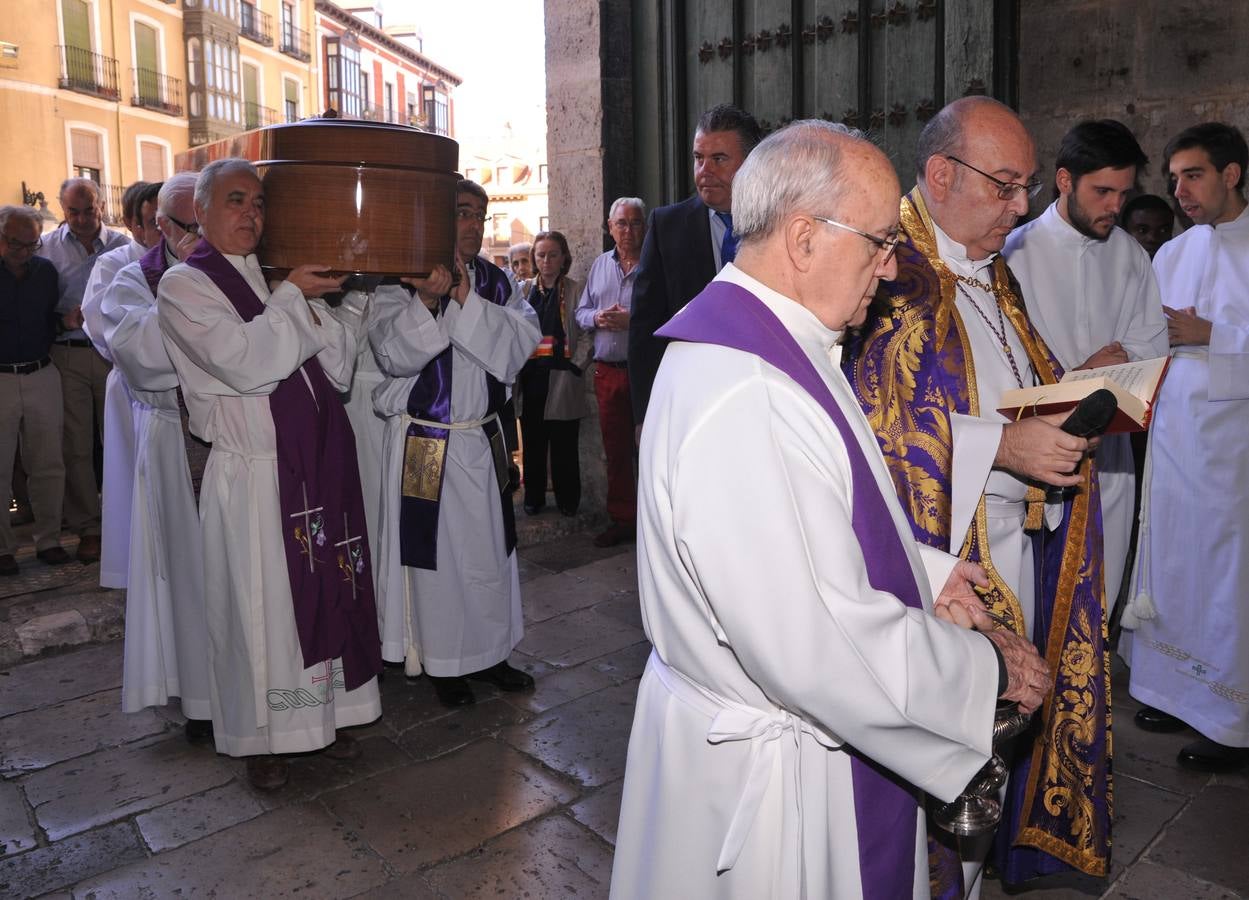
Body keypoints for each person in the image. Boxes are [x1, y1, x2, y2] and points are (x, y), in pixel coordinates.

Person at [610, 120, 1050, 900]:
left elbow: (825, 516)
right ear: (805, 237)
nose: (888, 269)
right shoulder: (748, 388)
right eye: (879, 242)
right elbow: (816, 642)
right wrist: (983, 671)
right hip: (774, 778)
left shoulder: (781, 340)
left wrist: (927, 573)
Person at [841, 96, 1111, 893]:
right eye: (1003, 185)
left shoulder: (990, 268)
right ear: (939, 173)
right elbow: (869, 435)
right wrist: (1004, 445)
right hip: (937, 565)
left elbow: (1002, 379)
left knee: (994, 737)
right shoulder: (889, 277)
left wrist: (1069, 403)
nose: (1019, 206)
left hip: (1010, 541)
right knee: (940, 751)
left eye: (1024, 186)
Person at [157, 159, 382, 790]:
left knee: (319, 600)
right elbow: (248, 363)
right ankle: (262, 738)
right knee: (260, 614)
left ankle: (325, 720)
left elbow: (336, 371)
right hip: (255, 478)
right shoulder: (186, 286)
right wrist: (291, 299)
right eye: (235, 201)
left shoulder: (272, 279)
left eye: (259, 203)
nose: (251, 213)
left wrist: (344, 298)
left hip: (313, 471)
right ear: (199, 211)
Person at [369, 181, 541, 709]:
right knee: (437, 561)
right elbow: (391, 354)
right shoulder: (400, 282)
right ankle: (444, 663)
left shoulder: (495, 281)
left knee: (490, 554)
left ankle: (492, 655)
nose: (471, 224)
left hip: (483, 438)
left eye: (478, 215)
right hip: (428, 443)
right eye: (461, 213)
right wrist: (427, 300)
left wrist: (465, 298)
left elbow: (518, 346)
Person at [1124, 123, 1249, 772]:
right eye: (1173, 178)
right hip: (1173, 439)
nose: (1178, 191)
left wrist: (1215, 335)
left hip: (1233, 453)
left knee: (1225, 580)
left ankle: (1230, 721)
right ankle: (1172, 691)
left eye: (1192, 175)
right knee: (1174, 563)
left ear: (1231, 174)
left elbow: (1202, 335)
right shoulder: (1171, 253)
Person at [1003, 120, 1167, 615]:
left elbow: (1150, 351)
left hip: (1107, 464)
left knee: (1094, 608)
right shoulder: (1013, 253)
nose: (1116, 206)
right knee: (1034, 606)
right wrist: (1083, 376)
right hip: (1031, 459)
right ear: (1065, 180)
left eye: (1124, 192)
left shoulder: (1132, 258)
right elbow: (999, 365)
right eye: (1102, 191)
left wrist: (1110, 373)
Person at [97, 173, 211, 740]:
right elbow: (143, 360)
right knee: (185, 571)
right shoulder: (129, 281)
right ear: (161, 226)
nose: (203, 238)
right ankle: (199, 695)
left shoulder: (233, 268)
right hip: (172, 438)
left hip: (231, 440)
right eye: (192, 228)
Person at [628, 104, 762, 425]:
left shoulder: (779, 222)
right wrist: (645, 417)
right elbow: (645, 330)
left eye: (718, 159)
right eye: (698, 158)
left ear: (752, 163)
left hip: (763, 400)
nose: (704, 170)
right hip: (690, 407)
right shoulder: (667, 226)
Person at [38, 177, 130, 564]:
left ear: (101, 207)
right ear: (63, 210)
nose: (80, 219)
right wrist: (64, 319)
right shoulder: (47, 247)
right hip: (70, 355)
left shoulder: (123, 246)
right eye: (72, 211)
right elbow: (39, 303)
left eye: (87, 210)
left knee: (119, 439)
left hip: (114, 355)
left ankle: (124, 522)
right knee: (76, 446)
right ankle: (89, 529)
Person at [81, 180, 163, 588]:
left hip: (174, 393)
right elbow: (100, 326)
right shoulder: (114, 266)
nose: (162, 233)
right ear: (133, 225)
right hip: (132, 389)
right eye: (153, 222)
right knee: (133, 481)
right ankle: (136, 570)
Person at [0, 206, 72, 576]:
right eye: (17, 243)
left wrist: (64, 322)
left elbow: (48, 320)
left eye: (32, 244)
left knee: (48, 463)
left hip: (42, 373)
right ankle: (3, 549)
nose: (25, 251)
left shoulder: (45, 272)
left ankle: (49, 540)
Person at [575, 198, 645, 547]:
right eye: (621, 223)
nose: (628, 230)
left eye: (635, 223)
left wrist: (633, 321)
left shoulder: (654, 263)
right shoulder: (600, 266)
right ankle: (623, 520)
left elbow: (671, 314)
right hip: (608, 373)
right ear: (609, 226)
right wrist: (598, 318)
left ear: (644, 227)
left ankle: (654, 524)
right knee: (615, 452)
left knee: (649, 449)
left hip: (645, 372)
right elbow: (581, 312)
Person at [518, 230, 589, 517]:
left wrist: (577, 365)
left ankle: (568, 500)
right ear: (535, 258)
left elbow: (587, 332)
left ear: (564, 258)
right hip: (531, 377)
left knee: (564, 445)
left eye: (553, 254)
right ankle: (533, 498)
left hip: (562, 377)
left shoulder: (575, 290)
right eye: (541, 255)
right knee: (533, 444)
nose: (546, 260)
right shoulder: (523, 290)